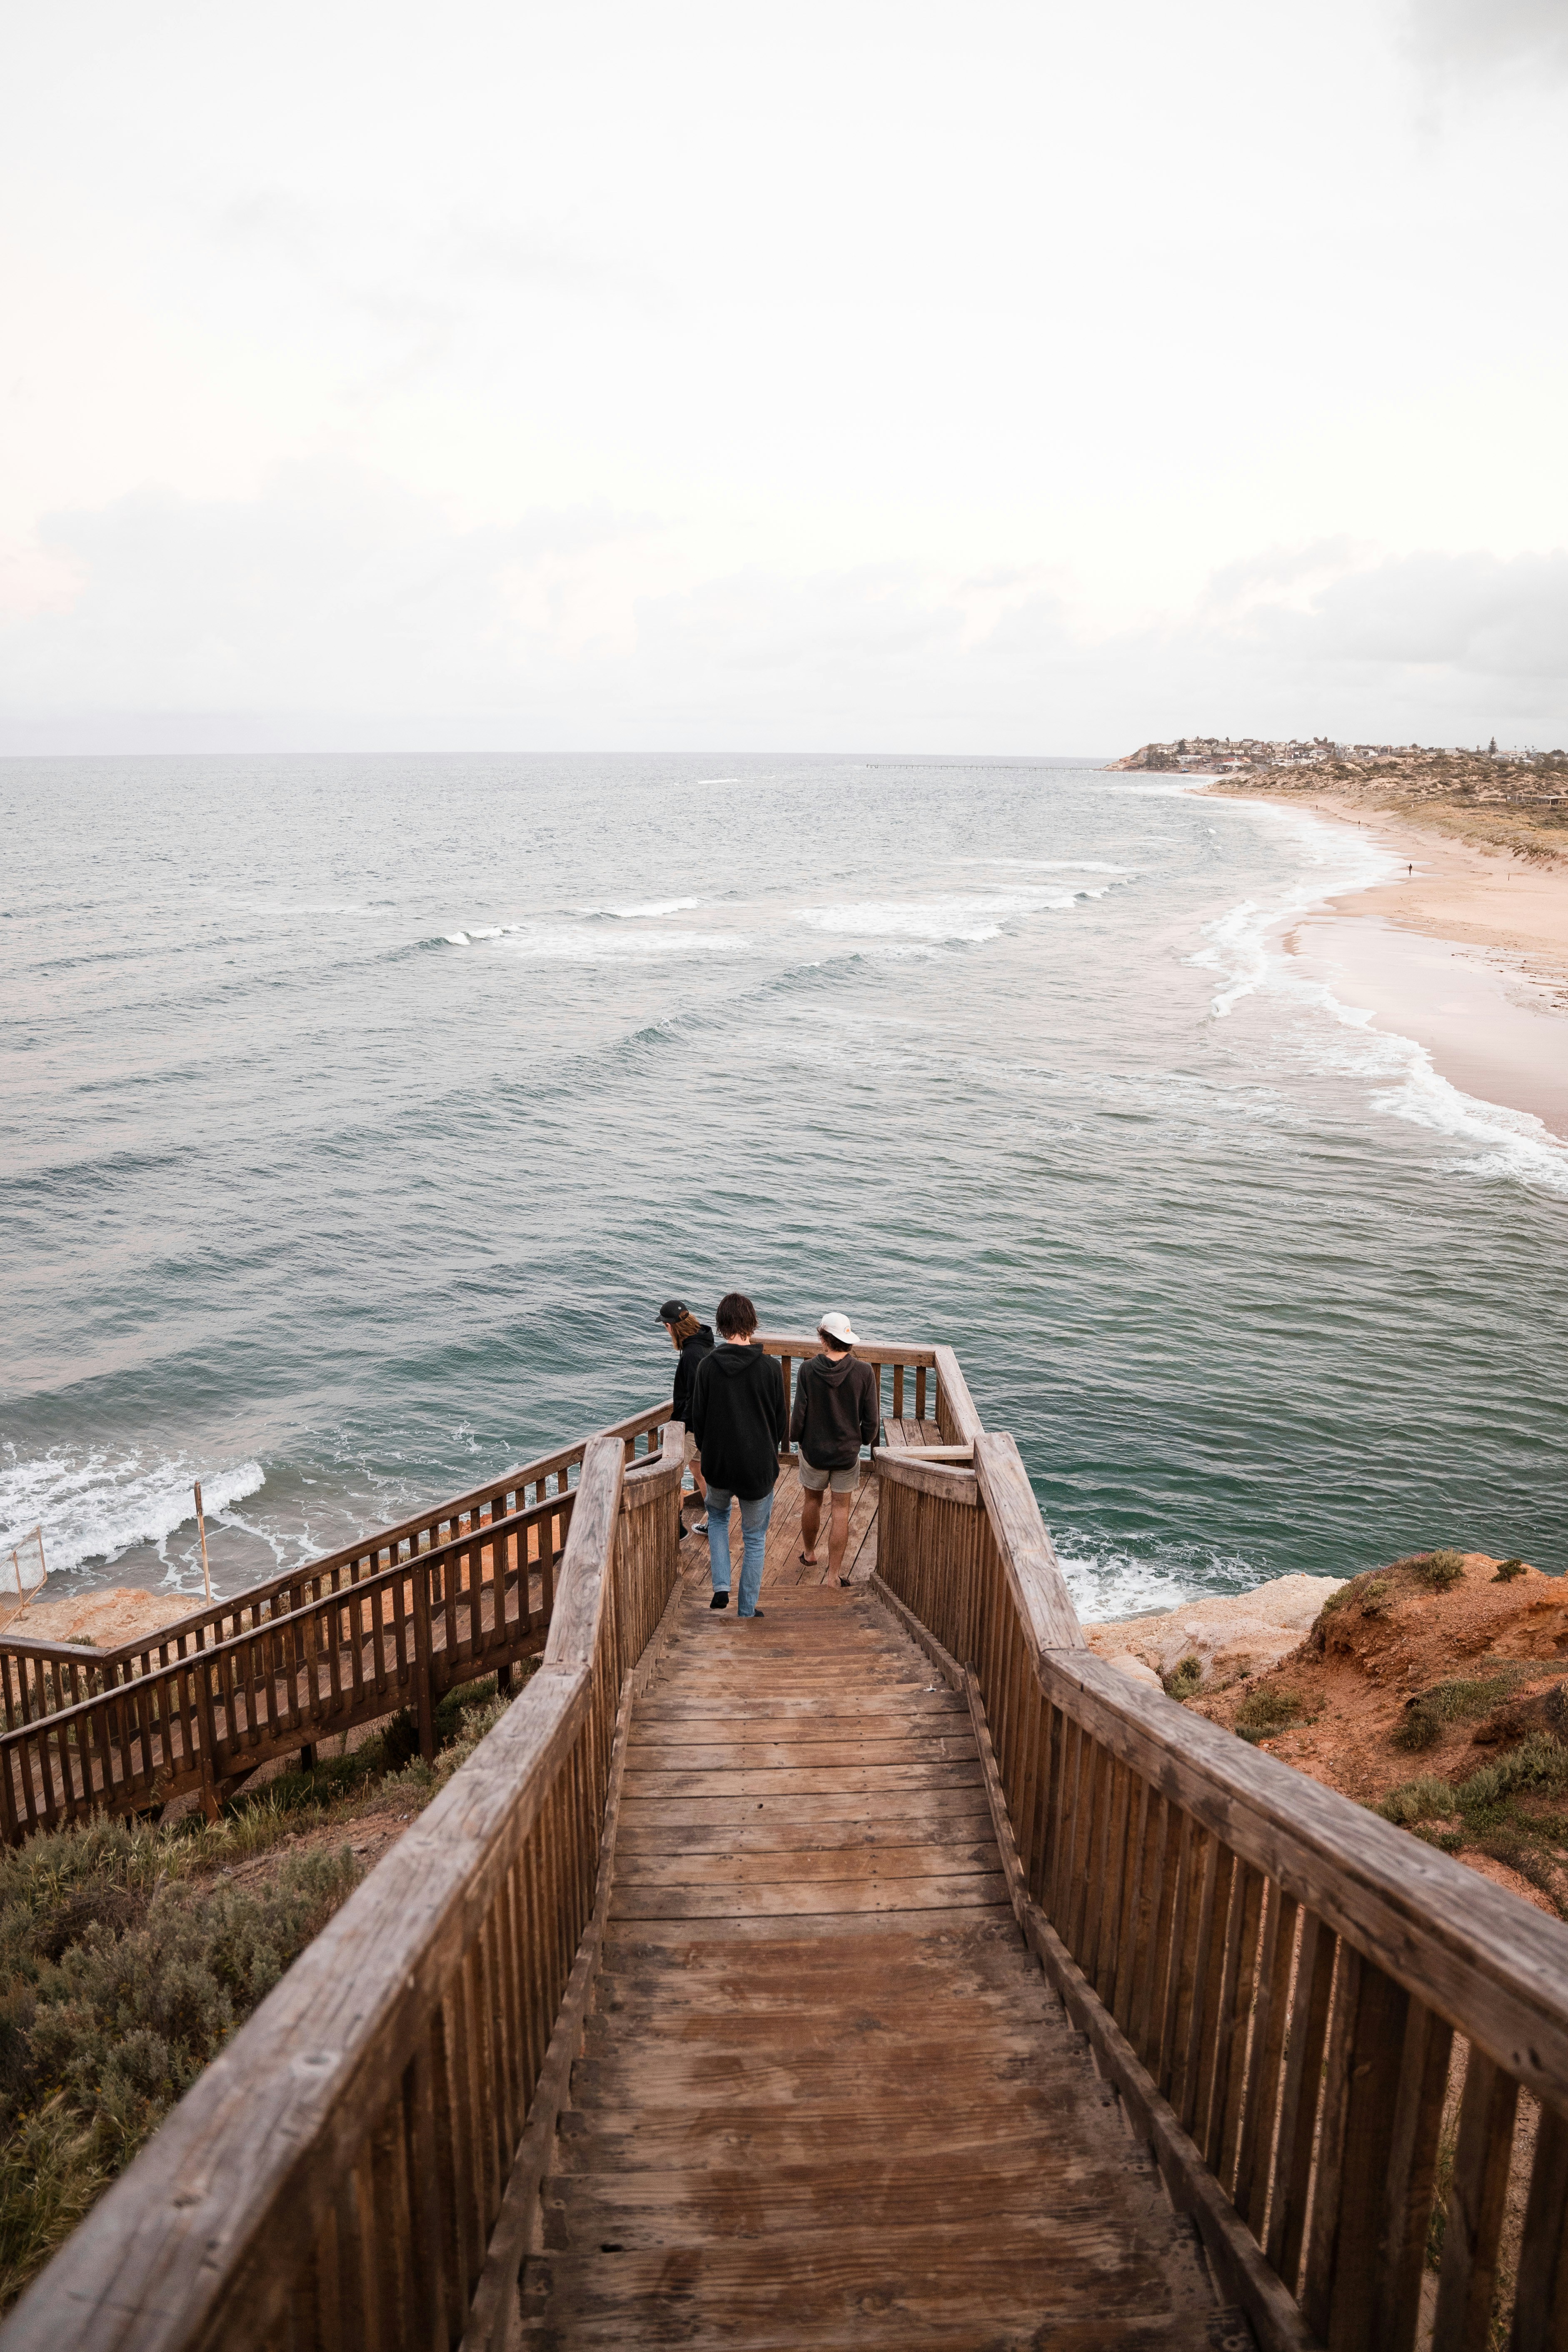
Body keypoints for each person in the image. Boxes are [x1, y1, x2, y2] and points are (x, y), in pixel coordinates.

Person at [688, 1291, 786, 1618]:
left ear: (721, 1325)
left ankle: (720, 1587)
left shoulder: (706, 1367)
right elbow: (780, 1423)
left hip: (718, 1465)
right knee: (755, 1538)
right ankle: (746, 1611)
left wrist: (711, 1450)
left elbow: (698, 1420)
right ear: (751, 1324)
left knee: (717, 1518)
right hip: (757, 1468)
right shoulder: (771, 1369)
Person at [790, 1311, 878, 1587]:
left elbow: (799, 1413)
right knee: (841, 1511)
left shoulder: (807, 1370)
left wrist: (797, 1438)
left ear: (824, 1338)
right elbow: (872, 1420)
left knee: (812, 1502)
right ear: (848, 1340)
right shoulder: (864, 1372)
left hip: (814, 1452)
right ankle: (833, 1577)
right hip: (846, 1455)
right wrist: (861, 1440)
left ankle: (809, 1553)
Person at [657, 1299, 713, 1532]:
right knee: (699, 1468)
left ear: (671, 1327)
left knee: (671, 1480)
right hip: (706, 1422)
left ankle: (676, 1531)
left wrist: (680, 1427)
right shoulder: (705, 1343)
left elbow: (693, 1396)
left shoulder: (692, 1354)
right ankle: (714, 1520)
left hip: (692, 1426)